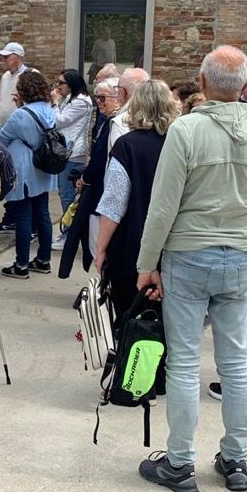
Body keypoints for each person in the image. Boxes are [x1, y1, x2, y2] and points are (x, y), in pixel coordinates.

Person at [134, 46, 247, 492]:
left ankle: (179, 462)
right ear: (244, 86)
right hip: (239, 256)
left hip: (187, 255)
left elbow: (162, 208)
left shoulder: (186, 130)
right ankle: (236, 458)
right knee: (236, 363)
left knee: (183, 362)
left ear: (201, 82)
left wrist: (147, 264)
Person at [92, 80, 179, 326]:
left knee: (131, 325)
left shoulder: (126, 146)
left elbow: (113, 205)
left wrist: (100, 250)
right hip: (173, 246)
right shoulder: (180, 143)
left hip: (131, 246)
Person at [0, 70, 60, 278]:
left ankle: (21, 264)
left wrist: (18, 109)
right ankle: (43, 259)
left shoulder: (21, 114)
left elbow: (3, 138)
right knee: (42, 214)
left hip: (24, 169)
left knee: (23, 217)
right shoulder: (49, 110)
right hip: (42, 169)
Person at [59, 77, 121, 279]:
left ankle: (104, 285)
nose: (99, 102)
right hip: (101, 190)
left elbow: (100, 157)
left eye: (103, 98)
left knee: (98, 245)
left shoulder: (115, 124)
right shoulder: (107, 121)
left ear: (118, 96)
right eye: (97, 98)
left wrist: (85, 178)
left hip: (102, 192)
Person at [51, 69, 94, 221]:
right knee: (64, 192)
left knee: (67, 192)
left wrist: (55, 103)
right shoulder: (70, 98)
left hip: (73, 152)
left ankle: (68, 231)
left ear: (72, 84)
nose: (58, 86)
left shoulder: (81, 102)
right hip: (67, 150)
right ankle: (67, 231)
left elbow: (59, 121)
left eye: (61, 83)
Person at [108, 67, 149, 148]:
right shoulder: (159, 117)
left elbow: (117, 157)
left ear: (123, 92)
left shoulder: (121, 122)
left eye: (117, 88)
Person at [0, 41, 30, 126]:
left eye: (6, 57)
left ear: (17, 57)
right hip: (3, 129)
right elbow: (1, 104)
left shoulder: (30, 76)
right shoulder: (5, 76)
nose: (3, 59)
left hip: (20, 129)